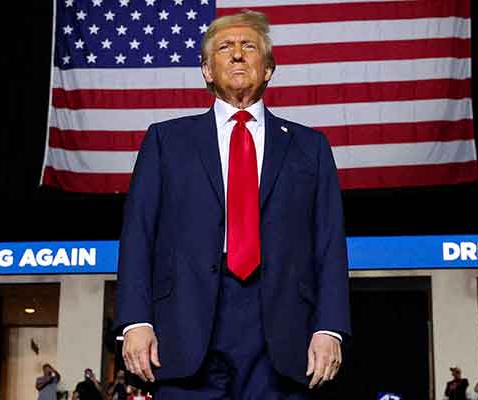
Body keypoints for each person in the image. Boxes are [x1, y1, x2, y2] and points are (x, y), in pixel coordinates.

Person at [116, 9, 351, 400]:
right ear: (207, 70)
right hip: (185, 324)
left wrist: (330, 328)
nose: (238, 54)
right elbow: (138, 234)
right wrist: (135, 320)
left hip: (281, 329)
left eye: (249, 47)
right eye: (225, 47)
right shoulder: (165, 141)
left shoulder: (310, 148)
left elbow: (329, 243)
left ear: (269, 69)